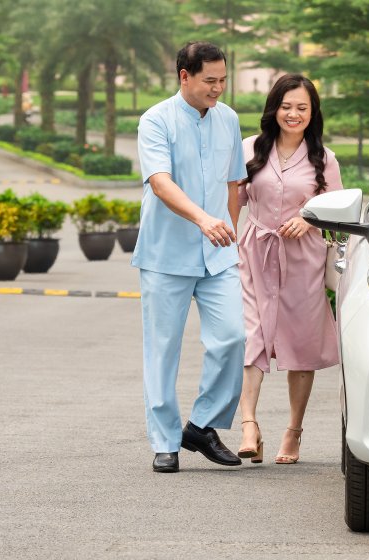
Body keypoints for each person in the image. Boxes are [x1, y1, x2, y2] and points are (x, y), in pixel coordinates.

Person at [135, 41, 247, 473]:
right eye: (209, 80)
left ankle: (201, 426)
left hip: (218, 255)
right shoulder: (156, 120)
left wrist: (229, 230)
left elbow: (234, 183)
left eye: (223, 80)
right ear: (185, 76)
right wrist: (203, 219)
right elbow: (160, 182)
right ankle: (165, 442)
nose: (217, 88)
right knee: (162, 350)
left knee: (232, 337)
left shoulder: (228, 119)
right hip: (166, 254)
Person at [235, 74, 341, 465]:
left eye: (301, 107)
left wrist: (308, 219)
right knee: (251, 336)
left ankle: (293, 431)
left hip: (303, 260)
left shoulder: (324, 158)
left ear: (312, 113)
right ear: (274, 108)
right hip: (255, 253)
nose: (293, 114)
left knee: (301, 344)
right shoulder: (250, 148)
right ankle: (249, 426)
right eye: (286, 106)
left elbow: (337, 209)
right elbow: (233, 198)